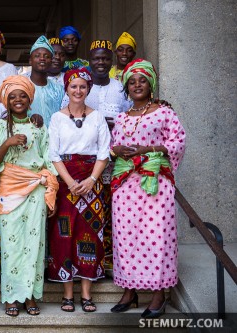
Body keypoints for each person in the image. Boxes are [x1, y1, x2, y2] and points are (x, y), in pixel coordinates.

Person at [110, 59, 185, 318]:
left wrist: (148, 150)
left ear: (150, 84)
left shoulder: (164, 113)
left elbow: (178, 142)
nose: (137, 85)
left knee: (157, 238)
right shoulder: (121, 117)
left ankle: (158, 295)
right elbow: (113, 145)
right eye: (132, 82)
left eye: (142, 80)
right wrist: (115, 150)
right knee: (126, 238)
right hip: (125, 186)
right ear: (127, 88)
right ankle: (130, 292)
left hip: (154, 184)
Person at [0, 75, 58, 317]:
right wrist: (8, 143)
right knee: (10, 245)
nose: (18, 100)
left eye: (22, 95)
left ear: (30, 99)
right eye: (12, 96)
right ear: (6, 100)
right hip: (9, 189)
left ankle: (30, 296)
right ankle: (11, 296)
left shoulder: (38, 126)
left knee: (34, 245)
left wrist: (51, 188)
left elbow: (48, 158)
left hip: (35, 189)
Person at [47, 68, 111, 313]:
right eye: (73, 86)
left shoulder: (97, 117)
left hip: (91, 182)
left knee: (89, 237)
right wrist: (70, 182)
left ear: (88, 89)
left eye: (83, 86)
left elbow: (104, 151)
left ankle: (86, 294)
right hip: (65, 183)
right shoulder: (57, 118)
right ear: (66, 89)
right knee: (64, 236)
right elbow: (53, 154)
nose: (78, 90)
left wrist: (92, 180)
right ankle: (67, 294)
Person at [85, 39, 132, 270]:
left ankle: (113, 265)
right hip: (88, 163)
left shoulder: (120, 88)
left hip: (116, 164)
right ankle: (91, 264)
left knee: (114, 216)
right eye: (96, 58)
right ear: (89, 61)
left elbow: (131, 118)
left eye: (105, 58)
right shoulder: (81, 87)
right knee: (91, 216)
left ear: (111, 61)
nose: (101, 62)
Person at [25, 35, 65, 127]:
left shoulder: (59, 90)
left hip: (54, 139)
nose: (42, 58)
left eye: (46, 56)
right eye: (37, 56)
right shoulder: (22, 87)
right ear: (30, 61)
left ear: (51, 61)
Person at [47, 37, 69, 108]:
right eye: (54, 54)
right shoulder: (31, 79)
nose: (58, 57)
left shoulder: (70, 80)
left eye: (62, 55)